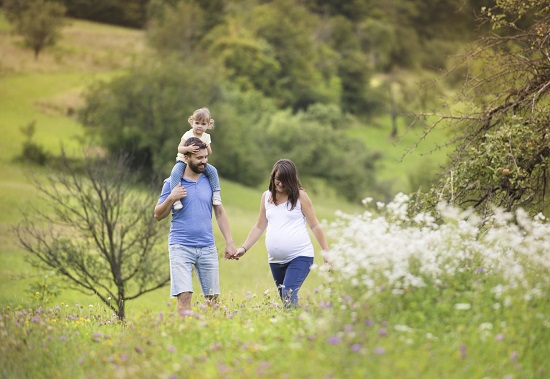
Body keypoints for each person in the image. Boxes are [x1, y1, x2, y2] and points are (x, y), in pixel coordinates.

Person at [230, 159, 330, 308]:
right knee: (286, 300)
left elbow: (314, 225)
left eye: (285, 181)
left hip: (300, 256)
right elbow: (259, 226)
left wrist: (326, 252)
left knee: (288, 294)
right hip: (275, 261)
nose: (281, 184)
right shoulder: (266, 197)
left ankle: (295, 328)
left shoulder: (300, 196)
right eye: (278, 180)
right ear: (273, 178)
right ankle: (298, 323)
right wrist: (243, 248)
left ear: (291, 180)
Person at [155, 137, 237, 314]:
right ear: (187, 158)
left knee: (213, 300)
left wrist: (229, 241)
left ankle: (213, 337)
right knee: (184, 297)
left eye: (206, 157)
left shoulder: (209, 180)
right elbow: (158, 214)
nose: (204, 162)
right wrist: (171, 197)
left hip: (207, 247)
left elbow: (220, 212)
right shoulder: (172, 183)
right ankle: (184, 335)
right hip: (180, 247)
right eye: (199, 158)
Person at [170, 107, 222, 210]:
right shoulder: (188, 134)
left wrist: (207, 148)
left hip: (199, 162)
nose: (199, 126)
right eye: (197, 123)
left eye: (203, 124)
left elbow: (209, 153)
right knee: (175, 173)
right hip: (183, 161)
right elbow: (179, 148)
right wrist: (188, 148)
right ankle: (176, 199)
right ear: (192, 122)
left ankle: (216, 193)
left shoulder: (206, 137)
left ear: (208, 125)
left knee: (212, 171)